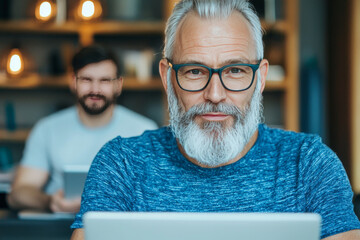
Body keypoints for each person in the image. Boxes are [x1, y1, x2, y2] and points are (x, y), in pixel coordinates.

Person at [70, 1, 360, 239]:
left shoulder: (310, 165)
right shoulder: (121, 164)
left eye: (235, 70)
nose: (215, 94)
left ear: (260, 78)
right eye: (195, 71)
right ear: (167, 77)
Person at [7, 45, 158, 213]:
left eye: (105, 80)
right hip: (58, 227)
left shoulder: (144, 131)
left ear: (118, 85)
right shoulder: (47, 129)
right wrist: (50, 201)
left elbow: (156, 194)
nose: (95, 89)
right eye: (87, 79)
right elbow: (19, 193)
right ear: (73, 82)